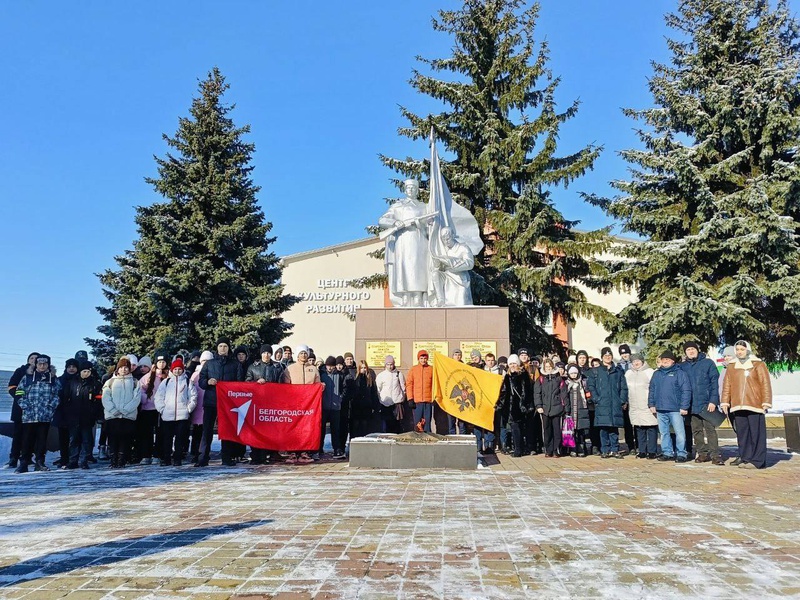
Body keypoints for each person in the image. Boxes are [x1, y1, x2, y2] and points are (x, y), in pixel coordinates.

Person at [378, 178, 431, 307]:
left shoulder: (424, 207)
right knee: (404, 267)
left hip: (419, 240)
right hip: (402, 240)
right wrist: (395, 223)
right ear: (405, 190)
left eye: (413, 188)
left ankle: (418, 295)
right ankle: (405, 296)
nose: (410, 190)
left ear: (417, 190)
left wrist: (420, 224)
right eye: (408, 188)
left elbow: (430, 226)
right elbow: (382, 220)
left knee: (418, 268)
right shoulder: (398, 206)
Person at [721, 340, 772, 469]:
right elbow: (727, 385)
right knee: (743, 433)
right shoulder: (732, 366)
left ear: (747, 350)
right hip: (737, 404)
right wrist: (725, 402)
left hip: (755, 404)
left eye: (742, 349)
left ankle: (758, 461)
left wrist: (766, 401)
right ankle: (746, 458)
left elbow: (765, 383)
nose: (739, 352)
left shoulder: (758, 364)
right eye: (737, 350)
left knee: (757, 434)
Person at [197, 339, 244, 467]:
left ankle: (227, 458)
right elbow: (201, 381)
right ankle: (203, 458)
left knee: (226, 431)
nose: (223, 348)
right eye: (220, 346)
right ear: (217, 348)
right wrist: (208, 382)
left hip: (227, 403)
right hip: (211, 401)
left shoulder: (235, 364)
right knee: (207, 431)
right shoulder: (209, 364)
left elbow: (240, 383)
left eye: (225, 346)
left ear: (228, 348)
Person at [13, 355, 61, 473]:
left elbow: (58, 394)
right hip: (29, 415)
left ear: (48, 365)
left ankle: (40, 462)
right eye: (40, 364)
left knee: (42, 440)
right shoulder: (27, 377)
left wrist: (51, 407)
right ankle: (24, 462)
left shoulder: (53, 379)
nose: (42, 366)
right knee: (26, 440)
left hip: (45, 415)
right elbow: (19, 392)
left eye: (45, 364)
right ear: (36, 365)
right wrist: (25, 405)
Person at [678, 341, 723, 465]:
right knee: (696, 430)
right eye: (688, 350)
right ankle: (702, 453)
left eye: (693, 349)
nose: (691, 351)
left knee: (710, 429)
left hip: (706, 404)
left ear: (697, 350)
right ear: (685, 352)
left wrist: (713, 401)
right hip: (691, 404)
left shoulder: (708, 363)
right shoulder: (682, 367)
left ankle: (715, 455)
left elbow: (715, 383)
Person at [649, 350, 692, 463]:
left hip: (675, 409)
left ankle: (681, 453)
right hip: (660, 408)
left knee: (679, 433)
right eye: (663, 359)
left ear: (673, 361)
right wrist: (651, 404)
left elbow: (686, 390)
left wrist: (684, 406)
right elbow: (652, 389)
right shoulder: (657, 374)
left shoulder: (680, 373)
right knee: (664, 433)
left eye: (667, 359)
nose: (665, 361)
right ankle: (667, 452)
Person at [586, 347, 628, 459]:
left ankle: (615, 449)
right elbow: (591, 386)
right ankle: (605, 449)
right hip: (602, 403)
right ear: (602, 357)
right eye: (605, 356)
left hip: (614, 403)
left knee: (614, 428)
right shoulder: (596, 371)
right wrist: (596, 399)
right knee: (603, 428)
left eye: (609, 355)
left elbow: (623, 387)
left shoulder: (618, 371)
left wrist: (621, 400)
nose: (608, 357)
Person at [282, 344, 322, 464]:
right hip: (294, 404)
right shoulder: (290, 368)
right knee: (293, 428)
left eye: (305, 353)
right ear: (297, 355)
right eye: (301, 353)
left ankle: (304, 452)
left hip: (309, 405)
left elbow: (317, 384)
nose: (303, 355)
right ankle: (292, 452)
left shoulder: (313, 369)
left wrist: (321, 387)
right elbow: (286, 386)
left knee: (306, 428)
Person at [60, 359, 103, 469]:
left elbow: (98, 400)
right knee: (73, 440)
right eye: (84, 371)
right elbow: (65, 399)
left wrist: (95, 413)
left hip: (87, 417)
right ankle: (73, 461)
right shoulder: (72, 383)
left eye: (88, 371)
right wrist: (67, 413)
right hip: (73, 417)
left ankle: (84, 460)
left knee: (86, 440)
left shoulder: (95, 384)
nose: (86, 374)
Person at [154, 357, 197, 466]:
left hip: (182, 415)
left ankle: (177, 458)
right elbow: (158, 397)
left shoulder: (187, 382)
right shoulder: (166, 382)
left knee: (180, 438)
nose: (177, 371)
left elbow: (193, 396)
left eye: (179, 369)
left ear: (183, 370)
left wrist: (188, 409)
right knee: (167, 438)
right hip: (167, 415)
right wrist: (162, 409)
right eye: (175, 369)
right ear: (172, 370)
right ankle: (166, 458)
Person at [101, 357, 141, 468]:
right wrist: (113, 410)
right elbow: (106, 397)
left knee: (125, 438)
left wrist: (126, 410)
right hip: (113, 416)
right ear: (117, 369)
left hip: (128, 416)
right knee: (113, 438)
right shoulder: (110, 381)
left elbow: (137, 398)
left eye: (126, 367)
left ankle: (121, 460)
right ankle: (113, 459)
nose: (124, 370)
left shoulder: (134, 382)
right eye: (121, 367)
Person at [6, 352, 39, 469]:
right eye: (31, 358)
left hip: (35, 409)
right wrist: (23, 396)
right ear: (28, 360)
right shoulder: (20, 371)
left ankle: (28, 457)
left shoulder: (42, 373)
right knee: (18, 434)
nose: (34, 360)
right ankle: (13, 458)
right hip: (20, 408)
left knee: (31, 435)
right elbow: (12, 387)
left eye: (36, 358)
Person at [496, 355, 533, 457]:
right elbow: (504, 392)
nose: (512, 366)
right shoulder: (507, 377)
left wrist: (523, 404)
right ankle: (518, 448)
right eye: (511, 364)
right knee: (515, 428)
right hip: (510, 407)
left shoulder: (523, 375)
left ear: (518, 364)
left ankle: (519, 449)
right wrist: (500, 404)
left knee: (519, 428)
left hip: (520, 406)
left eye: (514, 363)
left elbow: (526, 392)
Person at [430, 227, 475, 306]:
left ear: (453, 236)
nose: (446, 241)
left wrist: (452, 262)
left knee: (461, 304)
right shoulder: (443, 250)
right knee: (435, 274)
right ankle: (440, 299)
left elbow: (470, 263)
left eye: (448, 238)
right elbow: (439, 267)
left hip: (460, 278)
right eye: (443, 239)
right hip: (446, 275)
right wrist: (438, 263)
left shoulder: (463, 247)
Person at [137, 353, 169, 465]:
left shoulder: (168, 376)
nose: (161, 364)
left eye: (163, 362)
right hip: (148, 408)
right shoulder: (148, 376)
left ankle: (157, 455)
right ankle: (146, 455)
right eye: (159, 362)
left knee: (161, 433)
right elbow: (140, 390)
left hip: (162, 409)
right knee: (147, 433)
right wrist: (146, 399)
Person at [625, 353, 657, 459]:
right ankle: (642, 450)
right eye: (633, 361)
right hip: (634, 405)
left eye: (638, 361)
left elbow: (654, 388)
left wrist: (653, 403)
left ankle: (652, 451)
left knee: (651, 427)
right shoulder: (628, 373)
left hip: (647, 404)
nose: (636, 363)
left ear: (642, 361)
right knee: (639, 428)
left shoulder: (650, 372)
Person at [534, 359, 567, 458]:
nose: (548, 369)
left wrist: (566, 407)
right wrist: (538, 406)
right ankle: (548, 450)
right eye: (546, 367)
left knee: (557, 430)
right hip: (545, 409)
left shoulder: (559, 379)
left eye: (550, 366)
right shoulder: (540, 379)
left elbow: (564, 394)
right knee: (546, 431)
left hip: (557, 408)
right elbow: (537, 394)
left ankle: (556, 449)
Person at [188, 350, 213, 464]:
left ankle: (204, 453)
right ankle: (194, 452)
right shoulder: (195, 374)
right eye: (203, 361)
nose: (205, 363)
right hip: (197, 406)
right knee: (196, 431)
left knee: (206, 431)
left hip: (208, 405)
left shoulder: (213, 373)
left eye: (208, 361)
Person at [54, 358, 80, 467]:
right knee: (63, 437)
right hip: (62, 412)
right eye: (69, 367)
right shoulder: (60, 380)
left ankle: (73, 459)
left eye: (74, 367)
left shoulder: (80, 380)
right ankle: (64, 458)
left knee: (74, 438)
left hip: (76, 413)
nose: (71, 369)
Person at [319, 356, 345, 459]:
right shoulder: (321, 374)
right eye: (328, 366)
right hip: (323, 406)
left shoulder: (340, 375)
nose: (330, 368)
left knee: (335, 429)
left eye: (332, 366)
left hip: (335, 407)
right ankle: (319, 448)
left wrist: (340, 398)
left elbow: (344, 388)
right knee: (321, 429)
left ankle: (337, 449)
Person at [348, 361, 381, 438]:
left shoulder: (370, 379)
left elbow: (373, 393)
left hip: (366, 407)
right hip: (356, 407)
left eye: (365, 368)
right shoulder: (355, 378)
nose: (363, 369)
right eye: (362, 368)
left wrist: (375, 406)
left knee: (365, 426)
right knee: (356, 425)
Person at [564, 365, 592, 457]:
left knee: (581, 431)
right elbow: (564, 397)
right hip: (571, 410)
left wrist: (588, 400)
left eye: (575, 373)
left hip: (581, 410)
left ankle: (581, 448)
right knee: (571, 431)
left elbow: (588, 393)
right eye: (572, 373)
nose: (573, 375)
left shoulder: (583, 383)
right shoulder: (566, 384)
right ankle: (572, 448)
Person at [376, 355, 407, 434]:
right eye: (388, 364)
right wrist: (381, 400)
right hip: (385, 404)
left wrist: (401, 398)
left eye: (391, 364)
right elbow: (378, 389)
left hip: (397, 404)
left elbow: (403, 388)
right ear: (385, 365)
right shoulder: (381, 375)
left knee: (397, 426)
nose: (390, 366)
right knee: (387, 427)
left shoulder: (399, 374)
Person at [406, 350, 434, 432]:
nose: (423, 360)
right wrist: (410, 398)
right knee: (417, 424)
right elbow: (409, 384)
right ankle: (417, 437)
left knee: (427, 423)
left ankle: (427, 437)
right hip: (417, 402)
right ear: (418, 359)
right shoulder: (413, 369)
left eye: (425, 358)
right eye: (421, 358)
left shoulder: (431, 369)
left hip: (428, 401)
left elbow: (434, 385)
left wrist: (434, 397)